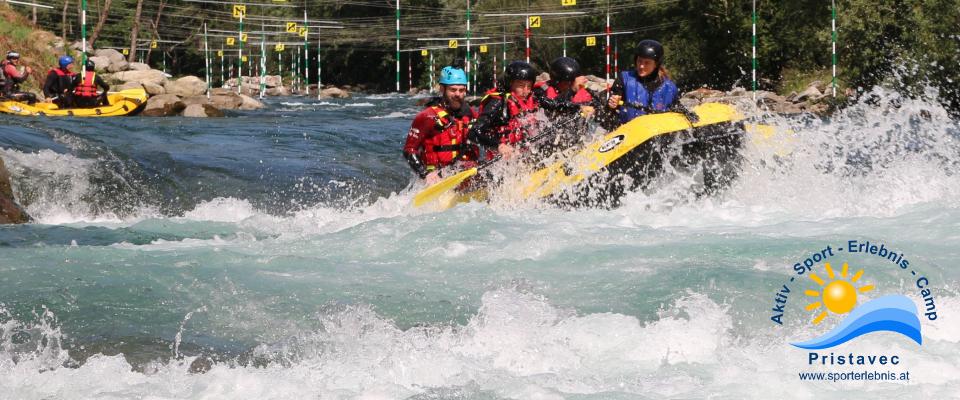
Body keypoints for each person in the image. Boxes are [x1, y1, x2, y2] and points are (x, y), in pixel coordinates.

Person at [402, 65, 478, 185]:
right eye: (453, 90)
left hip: (466, 175)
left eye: (461, 90)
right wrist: (424, 174)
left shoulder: (471, 114)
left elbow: (484, 136)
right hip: (438, 178)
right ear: (442, 89)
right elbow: (409, 150)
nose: (458, 94)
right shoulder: (427, 116)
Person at [468, 61, 541, 160]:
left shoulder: (532, 99)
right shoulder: (497, 103)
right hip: (497, 160)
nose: (525, 91)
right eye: (521, 85)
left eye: (529, 86)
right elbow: (474, 132)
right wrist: (498, 145)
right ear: (509, 83)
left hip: (520, 156)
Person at [606, 39, 679, 127]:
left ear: (656, 64)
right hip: (629, 132)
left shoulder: (670, 87)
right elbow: (609, 110)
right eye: (639, 61)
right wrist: (612, 104)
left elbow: (677, 112)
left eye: (647, 63)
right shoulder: (624, 79)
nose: (641, 66)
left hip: (657, 134)